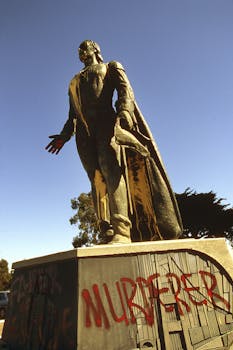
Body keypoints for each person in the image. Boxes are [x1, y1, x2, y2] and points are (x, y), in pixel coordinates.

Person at [46, 40, 183, 244]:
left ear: (95, 49)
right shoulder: (74, 82)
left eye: (84, 47)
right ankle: (106, 230)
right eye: (78, 50)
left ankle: (122, 231)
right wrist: (64, 136)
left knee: (112, 173)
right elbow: (72, 115)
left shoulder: (110, 67)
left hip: (107, 124)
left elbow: (125, 90)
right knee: (96, 180)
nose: (80, 52)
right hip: (84, 134)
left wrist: (125, 111)